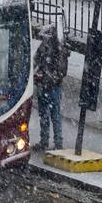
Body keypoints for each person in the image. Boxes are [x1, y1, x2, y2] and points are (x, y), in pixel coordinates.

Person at [33, 22, 69, 150]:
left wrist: (43, 77)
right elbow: (36, 63)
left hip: (51, 87)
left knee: (52, 115)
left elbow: (60, 72)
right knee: (47, 115)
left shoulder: (57, 50)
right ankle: (49, 141)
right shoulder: (50, 49)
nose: (43, 39)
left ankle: (54, 142)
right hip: (46, 86)